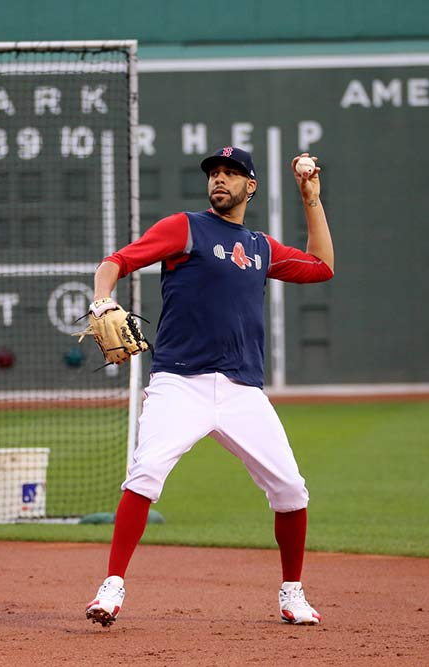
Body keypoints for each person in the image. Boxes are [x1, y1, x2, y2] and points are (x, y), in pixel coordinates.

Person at [84, 146, 335, 627]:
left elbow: (321, 267)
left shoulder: (261, 247)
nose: (220, 179)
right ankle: (112, 585)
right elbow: (115, 262)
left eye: (232, 173)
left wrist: (311, 197)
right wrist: (101, 302)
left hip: (243, 388)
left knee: (291, 491)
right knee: (146, 474)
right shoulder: (185, 227)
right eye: (215, 173)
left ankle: (292, 592)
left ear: (251, 187)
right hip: (180, 382)